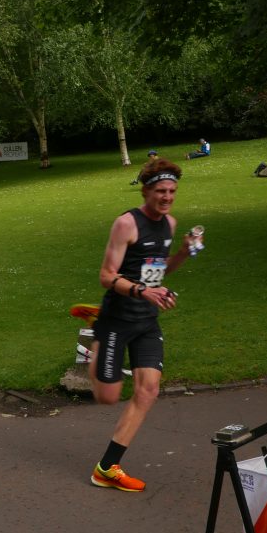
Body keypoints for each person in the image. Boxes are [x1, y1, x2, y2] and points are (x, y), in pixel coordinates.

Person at [89, 158, 199, 492]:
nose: (167, 197)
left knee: (148, 391)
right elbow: (107, 276)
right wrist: (141, 291)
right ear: (146, 190)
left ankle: (107, 467)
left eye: (172, 191)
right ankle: (91, 337)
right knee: (108, 397)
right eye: (160, 191)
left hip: (146, 322)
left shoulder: (170, 224)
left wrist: (182, 252)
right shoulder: (126, 223)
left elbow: (158, 270)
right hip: (116, 319)